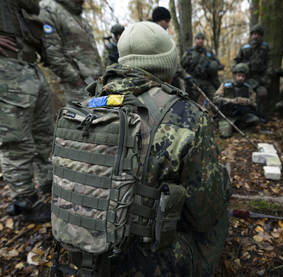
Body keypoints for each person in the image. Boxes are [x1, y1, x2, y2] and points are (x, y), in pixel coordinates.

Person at [54, 22, 229, 276]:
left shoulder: (84, 105)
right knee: (219, 210)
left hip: (80, 253)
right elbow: (204, 215)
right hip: (144, 262)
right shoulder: (186, 115)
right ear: (167, 63)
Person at [0, 0, 53, 223]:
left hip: (30, 66)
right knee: (16, 142)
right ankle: (25, 202)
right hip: (6, 68)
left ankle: (48, 182)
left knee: (44, 134)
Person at [39, 0, 104, 103]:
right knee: (83, 117)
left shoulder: (77, 14)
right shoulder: (49, 8)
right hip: (77, 87)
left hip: (96, 83)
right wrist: (74, 79)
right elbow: (51, 51)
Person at [233, 24, 272, 116]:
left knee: (262, 94)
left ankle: (259, 115)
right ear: (251, 35)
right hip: (245, 77)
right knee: (239, 93)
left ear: (261, 36)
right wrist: (235, 69)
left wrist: (266, 76)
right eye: (254, 34)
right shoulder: (245, 47)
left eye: (258, 34)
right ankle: (240, 114)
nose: (255, 36)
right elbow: (236, 60)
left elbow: (269, 63)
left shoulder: (265, 48)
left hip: (259, 78)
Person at [214, 63, 260, 138]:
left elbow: (254, 102)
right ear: (234, 75)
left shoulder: (247, 87)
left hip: (240, 115)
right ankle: (225, 125)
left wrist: (245, 101)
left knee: (255, 120)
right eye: (239, 75)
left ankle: (236, 126)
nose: (240, 78)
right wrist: (231, 101)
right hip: (227, 116)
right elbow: (215, 99)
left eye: (243, 76)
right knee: (225, 135)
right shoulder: (225, 85)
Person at [181, 32, 224, 102]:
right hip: (194, 81)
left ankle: (215, 111)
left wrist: (214, 67)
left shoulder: (209, 52)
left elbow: (218, 64)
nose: (200, 40)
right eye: (198, 39)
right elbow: (182, 64)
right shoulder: (190, 52)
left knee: (216, 99)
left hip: (207, 81)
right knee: (191, 102)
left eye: (202, 39)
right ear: (195, 40)